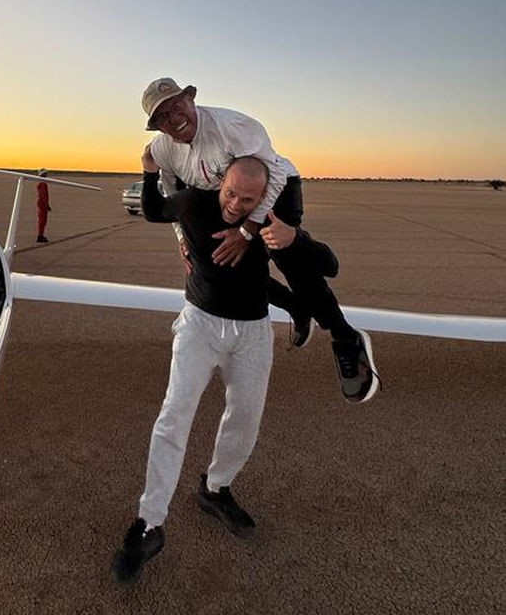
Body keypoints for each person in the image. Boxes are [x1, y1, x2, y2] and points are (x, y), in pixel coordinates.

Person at [140, 77, 379, 404]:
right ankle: (296, 307)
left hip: (275, 188)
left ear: (190, 99)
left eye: (177, 106)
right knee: (232, 267)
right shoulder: (161, 150)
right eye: (163, 116)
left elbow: (275, 174)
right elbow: (172, 192)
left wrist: (247, 232)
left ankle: (345, 336)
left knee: (285, 255)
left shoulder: (234, 127)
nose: (174, 118)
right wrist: (183, 238)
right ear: (157, 126)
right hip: (228, 198)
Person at [112, 154, 277, 584]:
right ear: (221, 182)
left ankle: (216, 488)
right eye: (230, 192)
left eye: (248, 199)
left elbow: (297, 263)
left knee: (246, 417)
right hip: (199, 324)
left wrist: (313, 312)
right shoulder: (193, 204)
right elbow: (154, 209)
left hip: (253, 332)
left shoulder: (270, 223)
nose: (236, 203)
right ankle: (149, 522)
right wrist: (149, 170)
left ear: (264, 198)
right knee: (174, 415)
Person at [36, 168, 51, 244]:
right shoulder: (43, 184)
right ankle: (40, 235)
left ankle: (41, 234)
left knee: (42, 219)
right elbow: (44, 195)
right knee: (42, 220)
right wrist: (47, 205)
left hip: (41, 203)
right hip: (42, 203)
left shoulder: (41, 183)